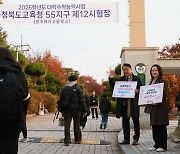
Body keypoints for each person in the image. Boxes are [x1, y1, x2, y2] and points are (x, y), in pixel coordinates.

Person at [0, 47, 28, 154]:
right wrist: (21, 116)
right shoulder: (18, 73)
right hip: (13, 120)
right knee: (10, 148)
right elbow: (25, 97)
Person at [109, 63, 142, 146]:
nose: (125, 71)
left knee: (136, 122)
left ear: (131, 70)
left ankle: (136, 139)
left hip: (133, 104)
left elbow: (142, 89)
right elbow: (114, 87)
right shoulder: (120, 80)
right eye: (124, 70)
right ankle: (126, 139)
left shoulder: (137, 79)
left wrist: (138, 90)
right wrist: (111, 78)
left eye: (127, 69)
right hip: (124, 105)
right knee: (125, 123)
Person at [60, 75, 88, 146]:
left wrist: (61, 110)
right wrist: (85, 110)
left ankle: (67, 141)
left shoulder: (64, 89)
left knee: (67, 125)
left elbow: (61, 100)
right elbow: (82, 100)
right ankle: (77, 139)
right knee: (76, 124)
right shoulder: (78, 89)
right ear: (75, 80)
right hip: (76, 110)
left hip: (66, 110)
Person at [148, 64, 169, 152]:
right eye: (152, 70)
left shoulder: (163, 81)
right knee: (155, 126)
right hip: (153, 108)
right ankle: (156, 144)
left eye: (156, 70)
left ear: (159, 71)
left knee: (161, 126)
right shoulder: (151, 81)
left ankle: (163, 145)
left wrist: (157, 100)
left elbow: (165, 93)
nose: (154, 72)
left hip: (161, 107)